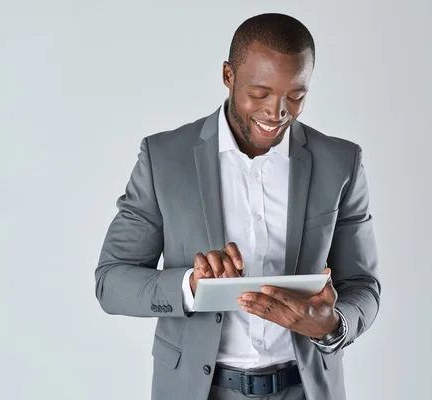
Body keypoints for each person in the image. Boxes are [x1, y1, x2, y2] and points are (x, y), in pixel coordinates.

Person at [95, 13, 380, 400]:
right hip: (199, 390)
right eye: (260, 93)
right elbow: (111, 281)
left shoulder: (340, 161)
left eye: (295, 96)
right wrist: (190, 287)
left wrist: (332, 324)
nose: (277, 112)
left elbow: (362, 285)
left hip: (307, 388)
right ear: (228, 76)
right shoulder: (164, 158)